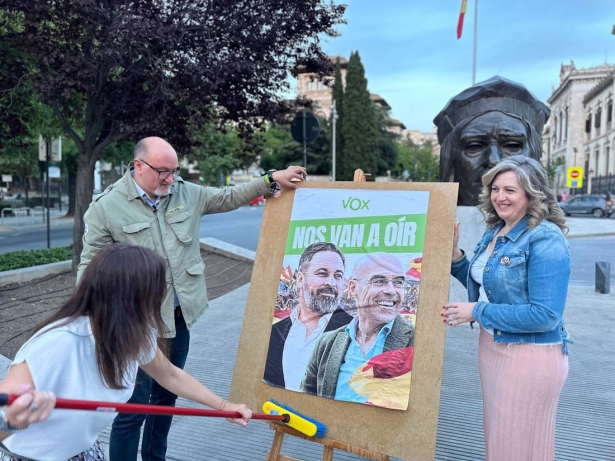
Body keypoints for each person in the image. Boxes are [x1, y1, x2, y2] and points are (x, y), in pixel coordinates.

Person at [77, 136, 305, 461]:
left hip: (177, 319)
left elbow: (228, 196)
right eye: (162, 172)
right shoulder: (106, 207)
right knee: (133, 408)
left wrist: (270, 180)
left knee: (166, 398)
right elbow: (89, 267)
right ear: (138, 166)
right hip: (136, 323)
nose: (170, 179)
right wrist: (87, 317)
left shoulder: (184, 192)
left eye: (174, 171)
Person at [0, 245, 251, 461]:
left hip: (82, 451)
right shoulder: (57, 343)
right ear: (134, 297)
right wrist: (11, 420)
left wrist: (224, 407)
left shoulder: (134, 333)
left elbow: (169, 375)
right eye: (157, 289)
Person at [443, 156, 571, 461]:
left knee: (517, 449)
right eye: (495, 188)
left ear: (532, 193)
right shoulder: (497, 230)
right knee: (502, 444)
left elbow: (545, 315)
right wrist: (455, 254)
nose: (500, 197)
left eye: (510, 190)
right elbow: (489, 286)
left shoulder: (546, 239)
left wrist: (476, 312)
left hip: (529, 357)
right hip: (494, 348)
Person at [301, 253, 414, 402]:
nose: (391, 291)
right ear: (353, 288)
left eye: (398, 282)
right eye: (379, 281)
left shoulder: (418, 342)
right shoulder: (327, 343)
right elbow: (307, 397)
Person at [434, 76, 550, 206]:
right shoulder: (427, 224)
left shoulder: (547, 227)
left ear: (534, 154)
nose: (494, 161)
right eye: (475, 147)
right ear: (450, 159)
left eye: (512, 146)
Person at [263, 242, 353, 391]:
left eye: (338, 276)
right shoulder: (274, 331)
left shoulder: (356, 332)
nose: (331, 282)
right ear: (300, 279)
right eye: (322, 273)